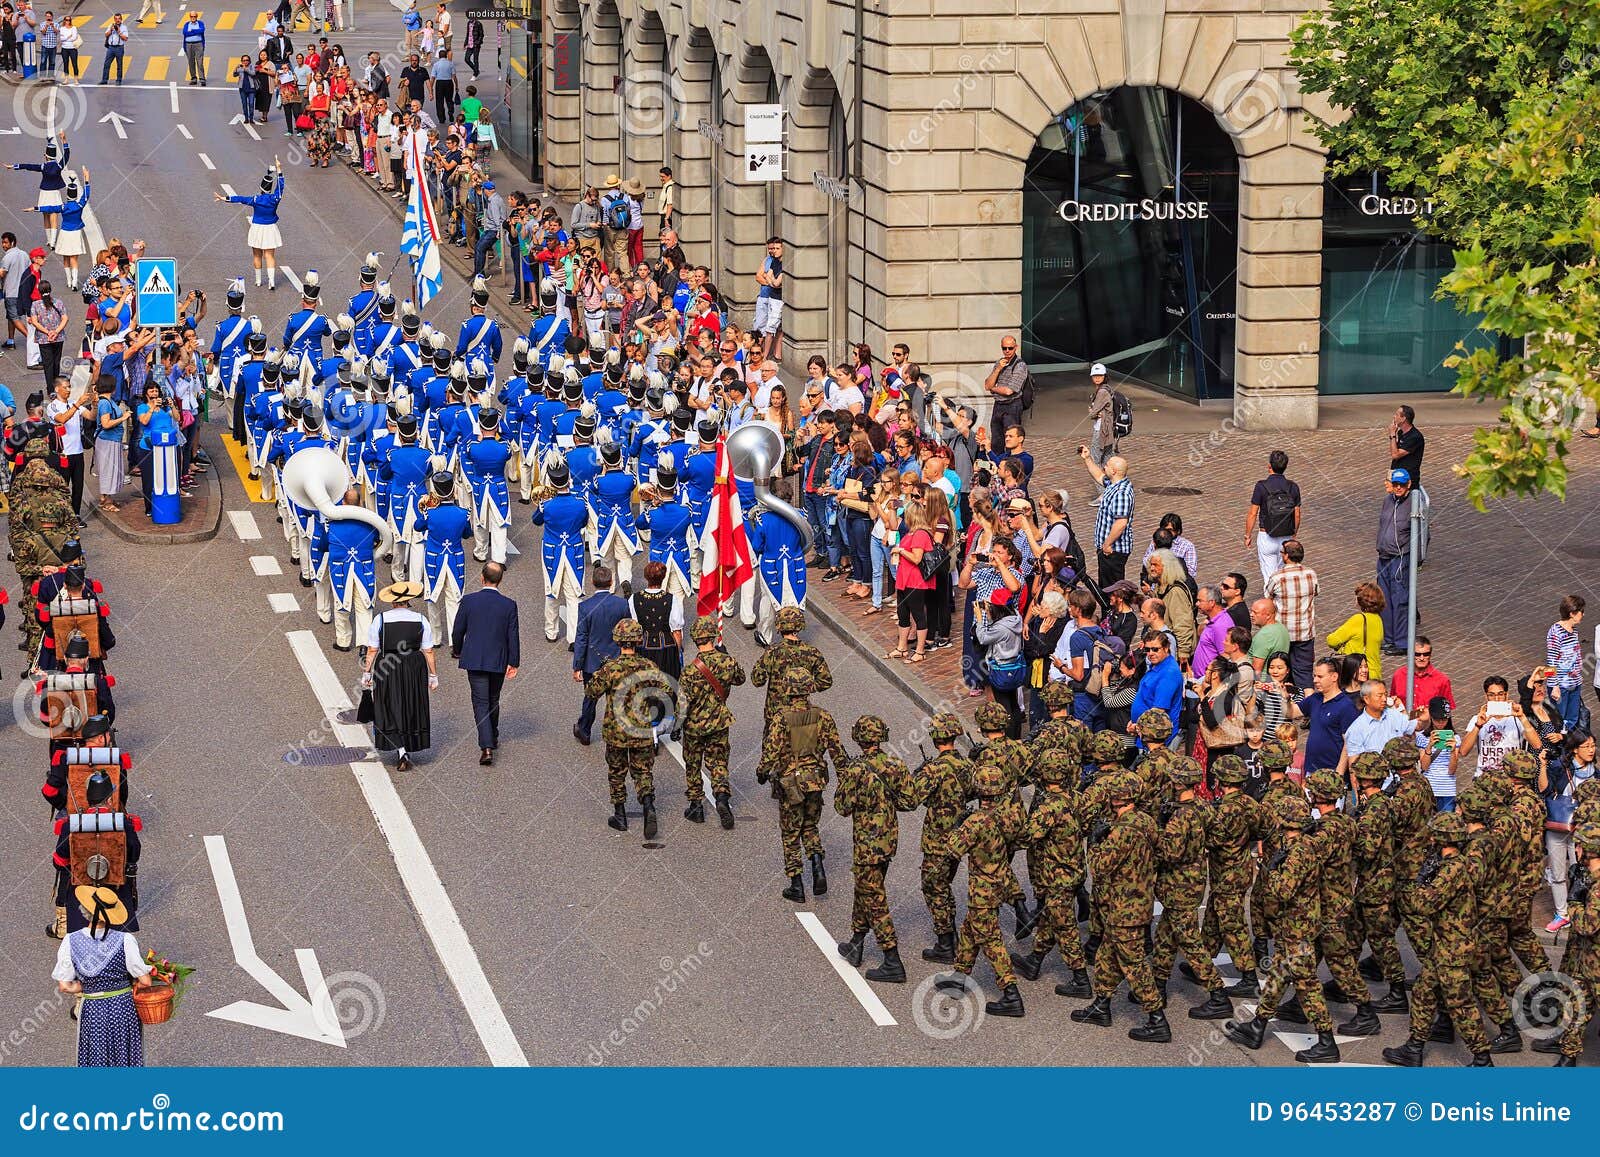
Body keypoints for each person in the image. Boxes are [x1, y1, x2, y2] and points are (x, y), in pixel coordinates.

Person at [834, 715, 914, 983]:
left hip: (867, 843)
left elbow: (841, 808)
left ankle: (892, 959)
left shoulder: (855, 771)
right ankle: (856, 943)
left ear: (859, 738)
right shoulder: (895, 764)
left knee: (875, 897)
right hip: (888, 840)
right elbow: (909, 801)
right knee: (867, 889)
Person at [761, 666, 844, 901]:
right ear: (808, 689)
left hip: (791, 783)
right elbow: (837, 750)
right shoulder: (822, 716)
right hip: (816, 780)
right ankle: (817, 864)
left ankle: (796, 884)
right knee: (810, 826)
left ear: (787, 690)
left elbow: (771, 752)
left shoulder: (781, 719)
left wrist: (762, 771)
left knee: (790, 832)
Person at [52, 885, 155, 1067]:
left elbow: (65, 986)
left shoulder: (70, 940)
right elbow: (145, 981)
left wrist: (87, 986)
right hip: (123, 1008)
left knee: (95, 1057)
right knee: (125, 1056)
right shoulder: (125, 940)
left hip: (92, 1009)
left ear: (84, 911)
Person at [586, 619, 672, 838]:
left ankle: (620, 815)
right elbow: (665, 691)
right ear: (639, 640)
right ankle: (648, 805)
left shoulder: (610, 668)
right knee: (643, 771)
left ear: (617, 640)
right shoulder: (649, 666)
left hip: (616, 731)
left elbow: (591, 692)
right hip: (641, 729)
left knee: (616, 772)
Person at [361, 580, 437, 773]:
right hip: (414, 665)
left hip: (388, 665)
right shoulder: (421, 619)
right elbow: (428, 650)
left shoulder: (381, 619)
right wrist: (433, 675)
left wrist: (367, 673)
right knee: (412, 703)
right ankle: (408, 745)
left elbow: (372, 649)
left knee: (389, 704)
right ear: (408, 600)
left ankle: (401, 749)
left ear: (393, 601)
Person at [450, 561, 520, 766]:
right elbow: (512, 635)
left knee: (480, 702)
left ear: (482, 577)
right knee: (493, 699)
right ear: (500, 580)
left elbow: (457, 630)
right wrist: (514, 661)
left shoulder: (469, 601)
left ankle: (486, 746)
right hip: (498, 659)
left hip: (475, 658)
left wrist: (458, 650)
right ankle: (493, 734)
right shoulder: (508, 604)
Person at [678, 614, 744, 828]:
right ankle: (722, 797)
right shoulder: (727, 662)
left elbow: (682, 703)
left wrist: (676, 726)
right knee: (718, 762)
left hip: (695, 725)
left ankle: (696, 805)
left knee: (693, 763)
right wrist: (727, 657)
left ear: (696, 639)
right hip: (719, 721)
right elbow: (740, 679)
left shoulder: (689, 671)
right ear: (713, 637)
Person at [571, 564, 631, 746]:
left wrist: (577, 666)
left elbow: (581, 638)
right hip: (617, 659)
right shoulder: (622, 604)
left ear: (592, 582)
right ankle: (618, 732)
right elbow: (628, 630)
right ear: (611, 582)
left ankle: (585, 730)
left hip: (593, 661)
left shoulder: (585, 607)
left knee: (590, 698)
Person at [1264, 538, 1317, 690]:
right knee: (1304, 673)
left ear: (1286, 556)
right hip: (1305, 632)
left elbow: (1268, 596)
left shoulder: (1277, 577)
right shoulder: (1311, 574)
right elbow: (1316, 592)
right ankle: (1306, 704)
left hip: (1283, 633)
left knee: (1280, 671)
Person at [1245, 449, 1300, 583]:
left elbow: (1253, 513)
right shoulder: (1293, 486)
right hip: (1286, 536)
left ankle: (1271, 601)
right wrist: (1293, 534)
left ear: (1269, 466)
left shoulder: (1261, 486)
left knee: (1270, 577)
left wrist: (1248, 535)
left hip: (1266, 535)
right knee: (1284, 575)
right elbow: (1297, 514)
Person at [1079, 449, 1133, 587]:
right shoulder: (1113, 484)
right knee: (1105, 584)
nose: (1104, 467)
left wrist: (1107, 544)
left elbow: (1121, 522)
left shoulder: (1121, 493)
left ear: (1114, 471)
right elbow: (1098, 475)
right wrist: (1087, 458)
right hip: (1107, 549)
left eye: (1107, 465)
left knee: (1112, 588)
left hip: (1113, 551)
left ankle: (1111, 609)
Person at [1376, 467, 1415, 654]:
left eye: (1401, 485)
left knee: (1400, 600)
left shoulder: (1413, 504)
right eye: (1395, 484)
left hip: (1400, 559)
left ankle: (1401, 642)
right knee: (1384, 600)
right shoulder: (1388, 500)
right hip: (1383, 556)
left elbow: (1421, 535)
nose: (1398, 488)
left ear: (1409, 484)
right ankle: (1389, 638)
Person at [1327, 581, 1385, 681]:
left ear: (1360, 600)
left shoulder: (1359, 619)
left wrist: (1340, 647)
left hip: (1358, 673)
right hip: (1375, 672)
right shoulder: (1378, 619)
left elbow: (1332, 640)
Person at [1548, 595, 1587, 735]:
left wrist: (1578, 675)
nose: (1583, 614)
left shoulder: (1573, 630)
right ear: (1572, 613)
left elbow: (1574, 655)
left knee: (1572, 720)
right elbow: (1551, 661)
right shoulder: (1555, 632)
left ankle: (1569, 748)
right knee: (1559, 721)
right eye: (1581, 611)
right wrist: (1555, 686)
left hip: (1574, 683)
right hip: (1562, 686)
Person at [983, 334, 1031, 445]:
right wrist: (998, 369)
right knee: (996, 440)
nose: (1007, 351)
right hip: (998, 405)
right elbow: (987, 385)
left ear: (1016, 347)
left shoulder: (1020, 365)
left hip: (1012, 406)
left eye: (1010, 348)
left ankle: (1011, 462)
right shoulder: (999, 363)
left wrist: (993, 388)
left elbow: (1009, 391)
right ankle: (998, 461)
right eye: (1004, 348)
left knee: (1011, 440)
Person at [1388, 634, 1453, 710]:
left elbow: (1446, 710)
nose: (1422, 658)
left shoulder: (1442, 680)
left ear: (1430, 655)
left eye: (1426, 654)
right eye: (1417, 654)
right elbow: (1392, 701)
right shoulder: (1398, 675)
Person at [1085, 362, 1115, 469]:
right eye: (1095, 376)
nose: (1097, 378)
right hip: (1108, 430)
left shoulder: (1102, 392)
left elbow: (1093, 413)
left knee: (1094, 461)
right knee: (1108, 460)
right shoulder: (1107, 389)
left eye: (1100, 376)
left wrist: (1092, 412)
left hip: (1101, 430)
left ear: (1104, 376)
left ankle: (1101, 485)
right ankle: (1112, 484)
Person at [1388, 404, 1424, 488]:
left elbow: (1395, 455)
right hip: (1397, 475)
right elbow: (1394, 451)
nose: (1394, 416)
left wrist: (1392, 434)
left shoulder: (1414, 437)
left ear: (1403, 418)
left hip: (1407, 480)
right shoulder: (1401, 433)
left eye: (1397, 414)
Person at [179, 10, 205, 83]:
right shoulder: (187, 24)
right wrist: (195, 32)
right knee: (191, 62)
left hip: (198, 44)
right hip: (188, 45)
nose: (193, 18)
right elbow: (185, 33)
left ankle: (202, 78)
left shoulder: (200, 23)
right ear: (190, 17)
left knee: (200, 62)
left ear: (197, 17)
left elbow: (201, 30)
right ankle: (193, 78)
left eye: (194, 16)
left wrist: (191, 31)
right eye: (191, 16)